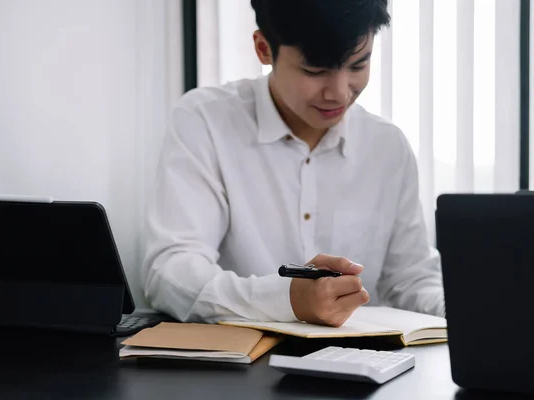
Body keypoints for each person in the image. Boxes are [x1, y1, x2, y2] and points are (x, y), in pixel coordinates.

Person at [142, 0, 445, 327]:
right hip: (238, 369)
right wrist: (286, 299)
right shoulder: (206, 121)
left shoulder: (387, 146)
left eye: (358, 65)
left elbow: (411, 280)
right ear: (263, 49)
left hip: (366, 366)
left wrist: (474, 310)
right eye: (315, 71)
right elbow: (170, 271)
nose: (340, 94)